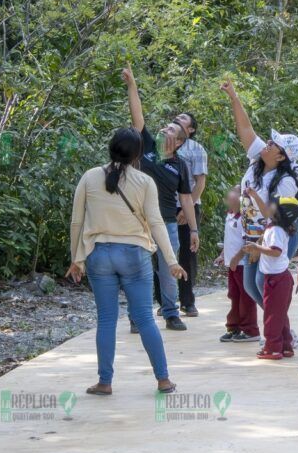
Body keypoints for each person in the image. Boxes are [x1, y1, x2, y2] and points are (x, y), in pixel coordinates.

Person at [66, 128, 187, 395]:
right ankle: (163, 379)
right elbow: (156, 222)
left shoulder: (90, 177)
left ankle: (105, 382)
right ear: (138, 155)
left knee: (106, 320)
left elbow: (77, 221)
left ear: (110, 148)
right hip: (134, 254)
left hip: (99, 255)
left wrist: (77, 259)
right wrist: (172, 260)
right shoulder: (144, 182)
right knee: (144, 318)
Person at [122, 67, 198, 331]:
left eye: (170, 129)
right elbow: (137, 116)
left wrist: (193, 228)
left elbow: (186, 200)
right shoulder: (147, 149)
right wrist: (132, 84)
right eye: (166, 126)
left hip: (166, 223)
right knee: (138, 271)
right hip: (138, 222)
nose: (164, 129)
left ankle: (171, 313)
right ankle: (136, 316)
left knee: (169, 269)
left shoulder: (180, 165)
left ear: (178, 141)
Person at [220, 79, 298, 309]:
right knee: (251, 285)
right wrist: (234, 98)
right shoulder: (258, 160)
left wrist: (259, 242)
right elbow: (245, 129)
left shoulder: (286, 182)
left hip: (277, 234)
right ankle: (278, 326)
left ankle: (280, 330)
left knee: (262, 281)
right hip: (253, 233)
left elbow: (278, 218)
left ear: (280, 157)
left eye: (273, 144)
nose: (266, 144)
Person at [244, 195, 298, 360]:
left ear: (280, 213)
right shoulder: (274, 227)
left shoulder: (276, 230)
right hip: (279, 278)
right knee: (279, 315)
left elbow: (275, 251)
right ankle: (286, 346)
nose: (267, 206)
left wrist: (257, 247)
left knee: (272, 317)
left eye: (272, 205)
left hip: (276, 280)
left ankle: (273, 348)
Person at [174, 112, 207, 317]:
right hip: (165, 205)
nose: (178, 117)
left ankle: (187, 300)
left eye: (184, 117)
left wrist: (188, 209)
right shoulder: (163, 144)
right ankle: (164, 301)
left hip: (188, 205)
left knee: (187, 254)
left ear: (191, 129)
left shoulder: (196, 149)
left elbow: (200, 182)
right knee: (164, 251)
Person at [217, 186, 259, 343]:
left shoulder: (245, 217)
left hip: (242, 263)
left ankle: (250, 329)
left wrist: (236, 258)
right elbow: (229, 239)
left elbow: (248, 241)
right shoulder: (229, 215)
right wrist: (223, 255)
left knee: (245, 297)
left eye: (237, 191)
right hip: (232, 264)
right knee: (234, 296)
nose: (231, 193)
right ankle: (234, 327)